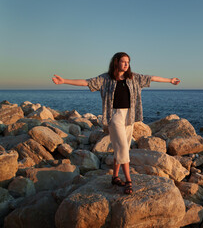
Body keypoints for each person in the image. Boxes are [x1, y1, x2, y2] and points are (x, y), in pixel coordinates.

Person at [52, 52, 180, 194]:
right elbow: (86, 82)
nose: (126, 64)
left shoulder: (133, 78)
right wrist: (64, 81)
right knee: (124, 148)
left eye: (128, 62)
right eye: (123, 61)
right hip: (115, 116)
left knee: (120, 148)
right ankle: (128, 181)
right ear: (116, 62)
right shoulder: (106, 79)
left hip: (129, 116)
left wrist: (170, 80)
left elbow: (152, 78)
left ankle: (114, 177)